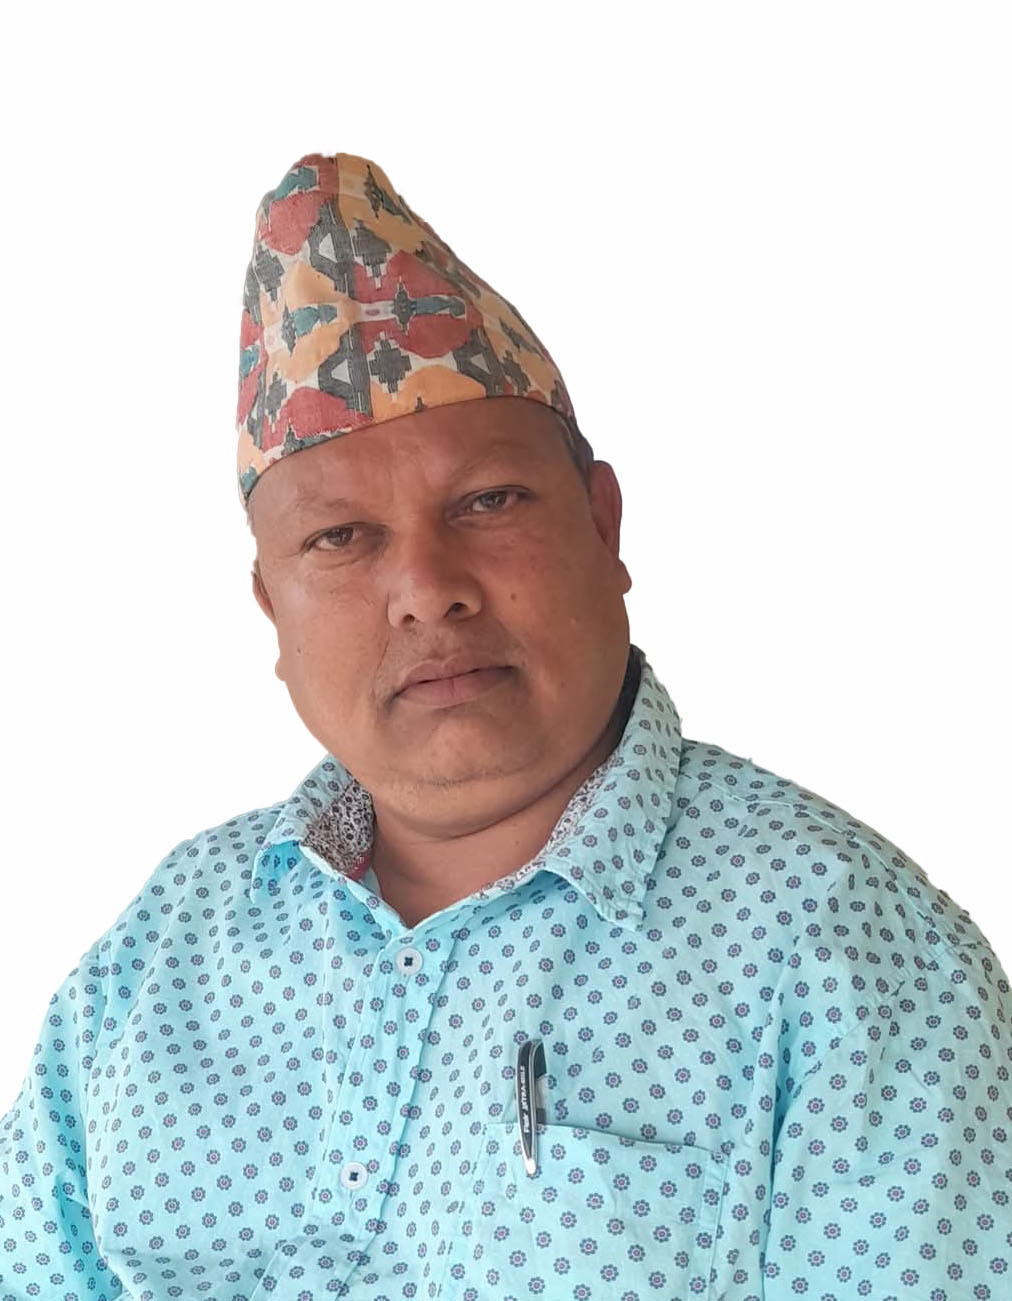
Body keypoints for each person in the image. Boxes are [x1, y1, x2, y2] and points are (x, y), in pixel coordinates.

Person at [1, 153, 1008, 1301]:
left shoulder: (848, 952)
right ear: (271, 607)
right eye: (340, 538)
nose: (427, 590)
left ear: (603, 525)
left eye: (487, 502)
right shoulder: (162, 953)